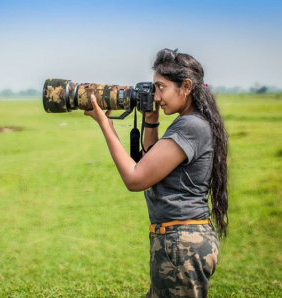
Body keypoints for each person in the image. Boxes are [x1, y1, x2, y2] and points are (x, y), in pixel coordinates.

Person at [84, 48, 228, 298]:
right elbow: (155, 164)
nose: (156, 95)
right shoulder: (191, 122)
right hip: (179, 241)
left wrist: (106, 125)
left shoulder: (191, 126)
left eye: (161, 87)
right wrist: (151, 121)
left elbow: (136, 178)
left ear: (185, 86)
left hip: (182, 245)